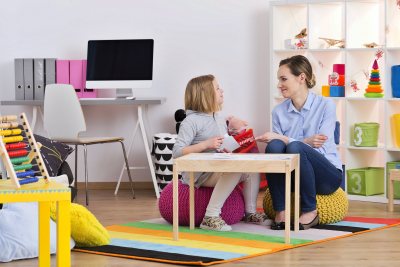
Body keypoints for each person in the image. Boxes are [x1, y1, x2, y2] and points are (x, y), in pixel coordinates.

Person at [173, 74, 271, 231]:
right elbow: (177, 152)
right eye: (217, 88)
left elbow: (218, 147)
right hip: (198, 173)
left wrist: (226, 148)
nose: (222, 90)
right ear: (205, 94)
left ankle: (250, 213)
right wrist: (205, 144)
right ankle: (210, 217)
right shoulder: (190, 121)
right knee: (233, 169)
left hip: (214, 166)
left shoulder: (218, 119)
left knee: (251, 168)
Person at [255, 55, 342, 230]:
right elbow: (279, 152)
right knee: (273, 146)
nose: (279, 85)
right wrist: (305, 142)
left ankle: (310, 211)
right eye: (279, 79)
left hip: (327, 176)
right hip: (295, 176)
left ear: (301, 78)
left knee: (293, 147)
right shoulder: (278, 111)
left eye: (284, 79)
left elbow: (322, 148)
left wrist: (290, 141)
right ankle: (281, 211)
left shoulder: (326, 105)